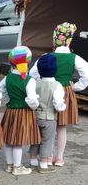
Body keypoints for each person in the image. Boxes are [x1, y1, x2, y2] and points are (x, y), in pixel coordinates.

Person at [29, 22, 88, 166]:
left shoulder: (47, 56)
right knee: (61, 127)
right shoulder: (75, 58)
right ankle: (59, 158)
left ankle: (46, 157)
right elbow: (86, 75)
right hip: (65, 93)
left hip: (47, 91)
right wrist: (76, 87)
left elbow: (32, 74)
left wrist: (41, 84)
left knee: (47, 126)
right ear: (69, 40)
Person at [0, 46, 40, 176]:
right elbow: (32, 100)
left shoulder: (7, 78)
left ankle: (10, 165)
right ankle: (17, 167)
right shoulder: (29, 80)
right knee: (18, 142)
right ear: (27, 62)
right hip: (23, 113)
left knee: (8, 139)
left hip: (10, 111)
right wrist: (34, 106)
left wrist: (8, 101)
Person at [29, 54, 66, 173]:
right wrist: (62, 107)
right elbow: (58, 103)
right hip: (49, 117)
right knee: (47, 140)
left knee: (35, 138)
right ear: (55, 69)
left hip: (35, 115)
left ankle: (33, 160)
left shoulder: (35, 82)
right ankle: (44, 164)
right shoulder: (57, 85)